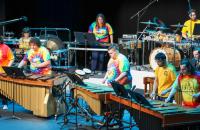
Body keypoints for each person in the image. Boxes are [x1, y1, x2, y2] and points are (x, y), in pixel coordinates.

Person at [0, 37, 15, 110]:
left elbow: (12, 58)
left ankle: (5, 103)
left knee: (3, 89)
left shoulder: (6, 47)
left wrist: (7, 68)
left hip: (3, 71)